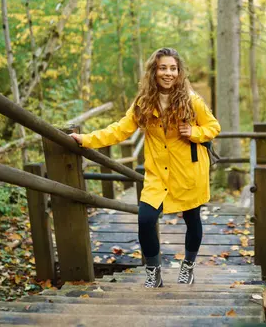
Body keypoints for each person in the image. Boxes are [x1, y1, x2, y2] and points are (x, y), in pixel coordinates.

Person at [69, 48, 221, 288]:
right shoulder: (143, 102)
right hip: (158, 174)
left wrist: (195, 132)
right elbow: (120, 129)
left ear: (179, 72)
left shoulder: (192, 100)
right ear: (154, 71)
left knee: (192, 218)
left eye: (173, 68)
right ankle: (154, 272)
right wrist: (87, 140)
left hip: (188, 171)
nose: (168, 73)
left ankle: (188, 267)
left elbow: (213, 127)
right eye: (163, 68)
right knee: (145, 219)